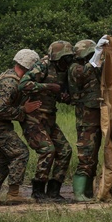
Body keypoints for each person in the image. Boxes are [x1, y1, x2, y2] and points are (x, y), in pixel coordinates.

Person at [0, 49, 42, 205]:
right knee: (20, 153)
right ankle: (13, 193)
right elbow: (1, 109)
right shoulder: (11, 83)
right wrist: (23, 111)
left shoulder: (8, 75)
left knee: (4, 160)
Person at [20, 41, 74, 202]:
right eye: (65, 59)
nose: (68, 63)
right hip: (34, 118)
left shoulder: (63, 71)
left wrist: (63, 96)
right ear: (57, 58)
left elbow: (60, 93)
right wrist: (47, 87)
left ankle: (54, 190)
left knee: (65, 151)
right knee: (48, 150)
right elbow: (24, 84)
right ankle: (38, 191)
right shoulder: (42, 66)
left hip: (49, 118)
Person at [67, 39, 101, 202]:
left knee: (93, 157)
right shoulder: (75, 68)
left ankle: (89, 192)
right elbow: (81, 76)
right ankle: (79, 194)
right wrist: (96, 59)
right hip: (85, 121)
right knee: (85, 155)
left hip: (98, 118)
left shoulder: (94, 67)